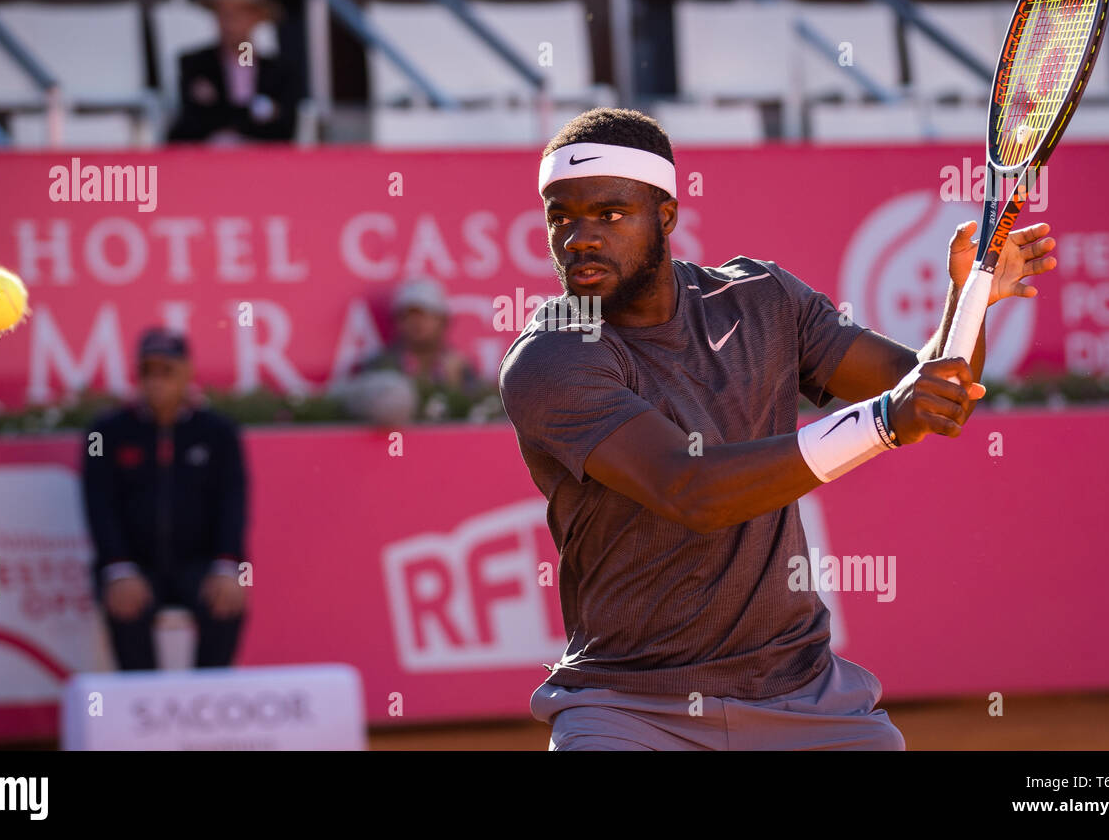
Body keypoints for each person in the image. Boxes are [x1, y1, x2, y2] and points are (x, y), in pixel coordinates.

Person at [498, 107, 1058, 750]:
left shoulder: (761, 298)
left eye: (610, 214)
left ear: (667, 217)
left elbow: (927, 390)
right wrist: (882, 423)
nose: (579, 240)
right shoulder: (553, 355)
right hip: (629, 708)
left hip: (802, 695)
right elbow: (692, 491)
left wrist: (969, 300)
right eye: (560, 217)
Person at [81, 328, 249, 670]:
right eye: (147, 370)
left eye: (167, 370)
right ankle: (144, 709)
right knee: (125, 603)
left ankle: (209, 704)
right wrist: (117, 568)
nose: (156, 380)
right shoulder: (104, 432)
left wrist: (228, 566)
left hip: (199, 564)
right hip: (132, 564)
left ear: (187, 372)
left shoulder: (219, 432)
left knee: (228, 598)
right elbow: (98, 503)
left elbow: (233, 502)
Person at [166, 0, 300, 144]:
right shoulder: (195, 63)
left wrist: (220, 111)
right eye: (222, 12)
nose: (229, 20)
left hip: (263, 163)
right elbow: (190, 125)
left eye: (239, 12)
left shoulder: (280, 71)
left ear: (257, 18)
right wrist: (253, 112)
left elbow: (284, 130)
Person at [342, 278, 484, 424]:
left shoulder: (461, 367)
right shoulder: (377, 366)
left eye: (425, 315)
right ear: (397, 321)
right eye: (408, 316)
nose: (417, 323)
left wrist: (455, 386)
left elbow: (477, 416)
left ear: (443, 320)